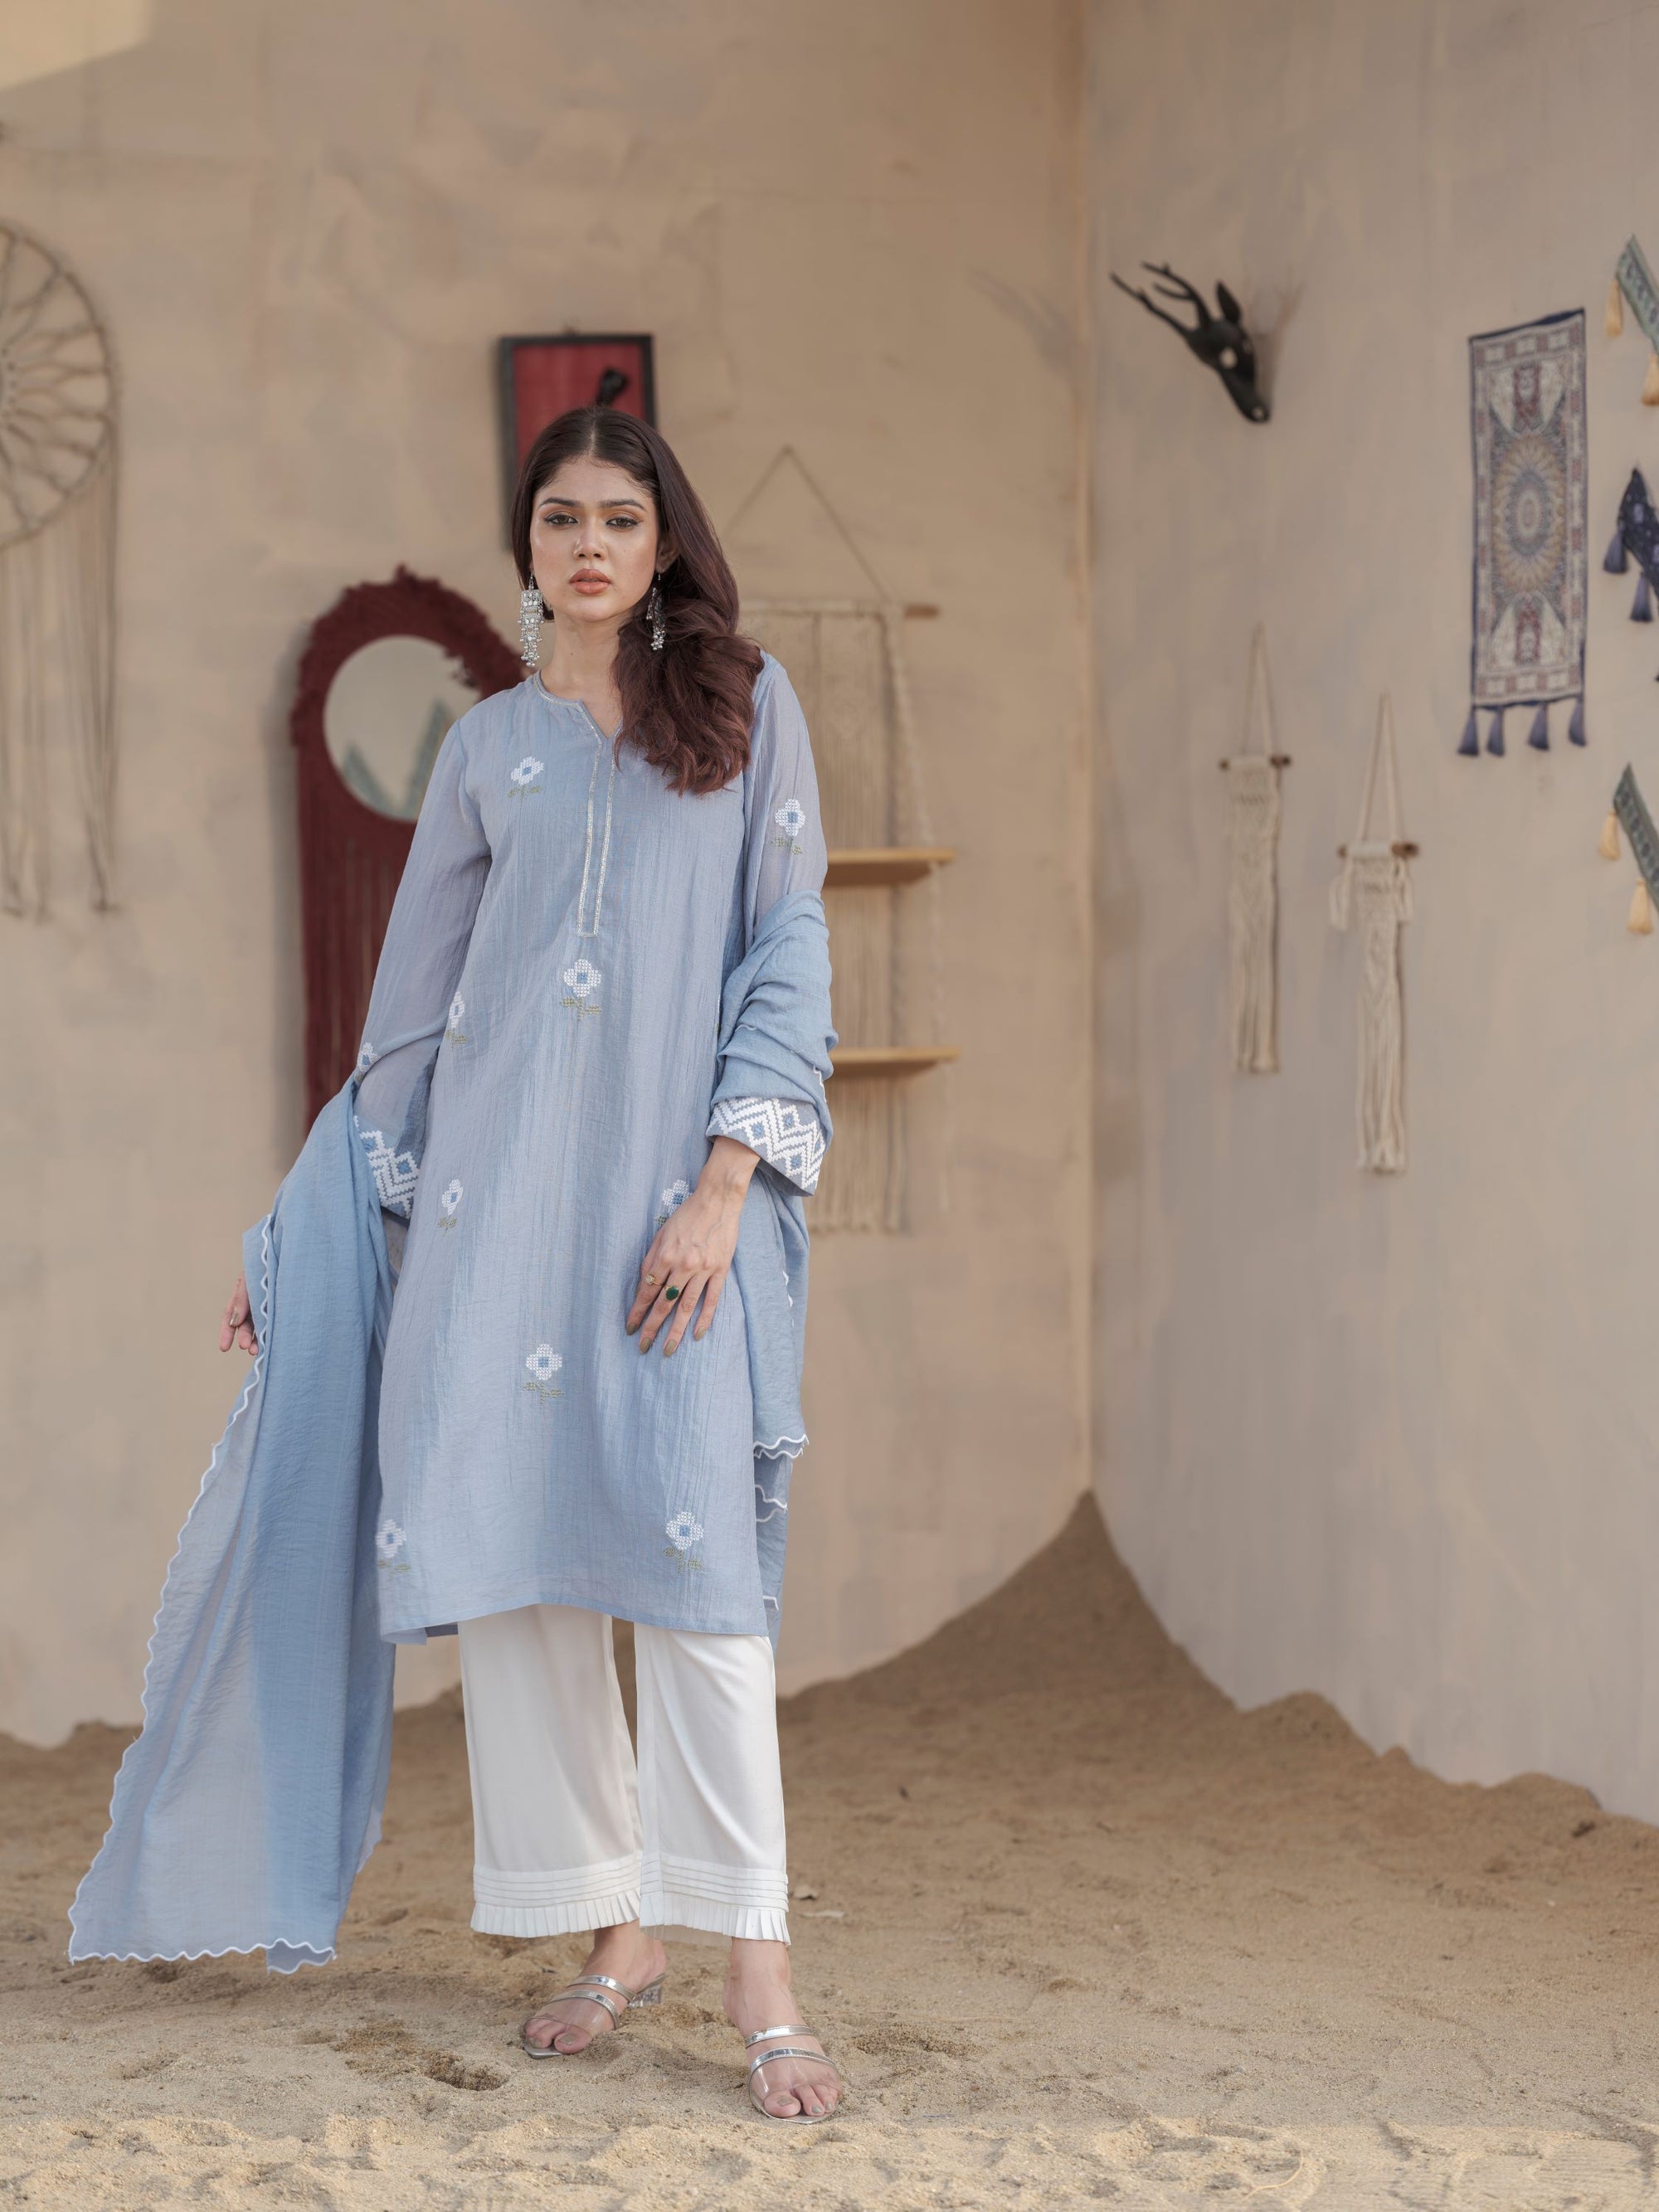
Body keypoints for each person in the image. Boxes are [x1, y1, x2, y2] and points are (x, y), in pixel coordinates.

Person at [218, 406, 839, 2120]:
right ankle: (616, 1928)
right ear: (530, 544)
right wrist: (304, 1236)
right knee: (526, 1585)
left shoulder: (746, 711)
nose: (590, 545)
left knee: (701, 1594)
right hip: (492, 1229)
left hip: (666, 1219)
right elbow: (408, 1016)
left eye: (621, 518)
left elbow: (788, 945)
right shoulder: (487, 746)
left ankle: (756, 1959)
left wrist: (723, 1187)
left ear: (663, 543)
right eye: (563, 517)